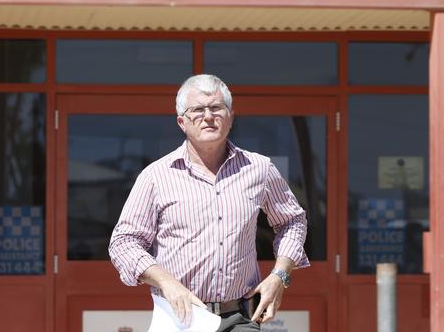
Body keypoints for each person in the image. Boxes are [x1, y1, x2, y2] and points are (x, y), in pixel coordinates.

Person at [109, 74, 309, 332]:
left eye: (216, 108)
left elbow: (292, 220)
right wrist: (166, 281)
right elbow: (124, 242)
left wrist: (279, 276)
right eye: (197, 110)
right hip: (180, 320)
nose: (208, 116)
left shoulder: (259, 169)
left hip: (240, 318)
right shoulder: (156, 176)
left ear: (230, 116)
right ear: (182, 121)